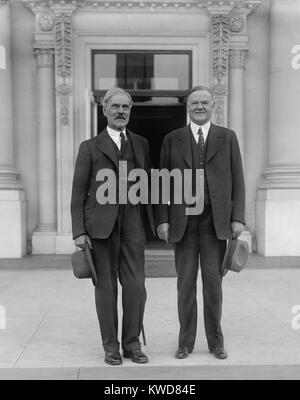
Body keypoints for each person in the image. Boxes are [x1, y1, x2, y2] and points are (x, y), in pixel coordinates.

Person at [157, 85, 245, 360]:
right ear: (187, 106)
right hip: (183, 223)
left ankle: (216, 342)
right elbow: (161, 182)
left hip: (214, 223)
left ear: (213, 106)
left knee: (213, 284)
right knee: (185, 284)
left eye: (204, 102)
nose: (199, 107)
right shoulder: (173, 139)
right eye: (194, 102)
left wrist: (237, 217)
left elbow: (238, 180)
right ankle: (185, 342)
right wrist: (162, 219)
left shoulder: (227, 137)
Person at [71, 87, 155, 366]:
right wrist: (79, 231)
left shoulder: (141, 144)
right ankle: (111, 346)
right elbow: (78, 193)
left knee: (136, 286)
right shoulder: (90, 147)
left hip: (133, 224)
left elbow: (148, 186)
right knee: (106, 288)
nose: (121, 112)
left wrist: (155, 221)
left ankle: (132, 343)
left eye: (126, 107)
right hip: (99, 227)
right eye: (116, 107)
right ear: (104, 110)